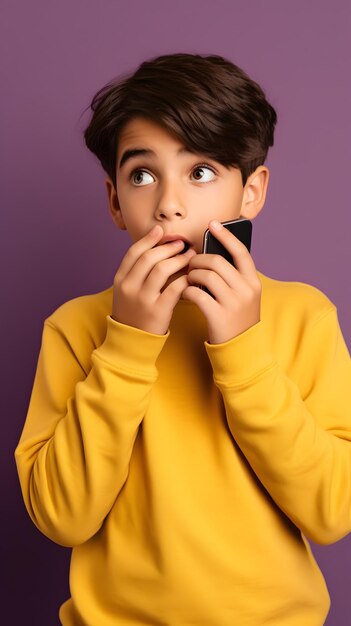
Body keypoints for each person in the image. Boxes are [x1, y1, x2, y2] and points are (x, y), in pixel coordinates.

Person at [14, 53, 351, 626]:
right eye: (142, 175)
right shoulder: (75, 328)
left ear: (251, 193)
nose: (168, 202)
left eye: (200, 172)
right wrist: (126, 343)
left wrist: (243, 350)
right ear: (116, 201)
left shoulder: (303, 315)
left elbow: (332, 511)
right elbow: (61, 517)